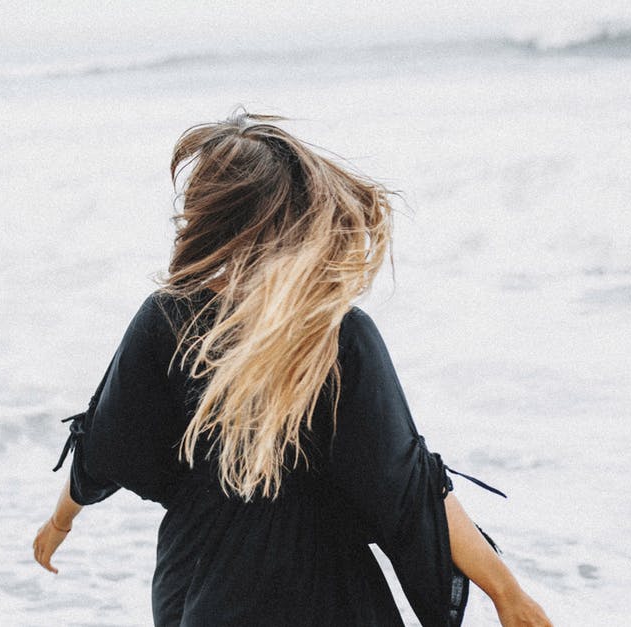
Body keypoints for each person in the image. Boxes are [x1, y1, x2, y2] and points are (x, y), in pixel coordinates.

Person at [33, 109, 552, 627]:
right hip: (325, 597)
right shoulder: (337, 333)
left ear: (209, 217)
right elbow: (408, 485)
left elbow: (106, 442)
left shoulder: (169, 317)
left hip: (201, 587)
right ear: (297, 216)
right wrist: (507, 593)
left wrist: (61, 521)